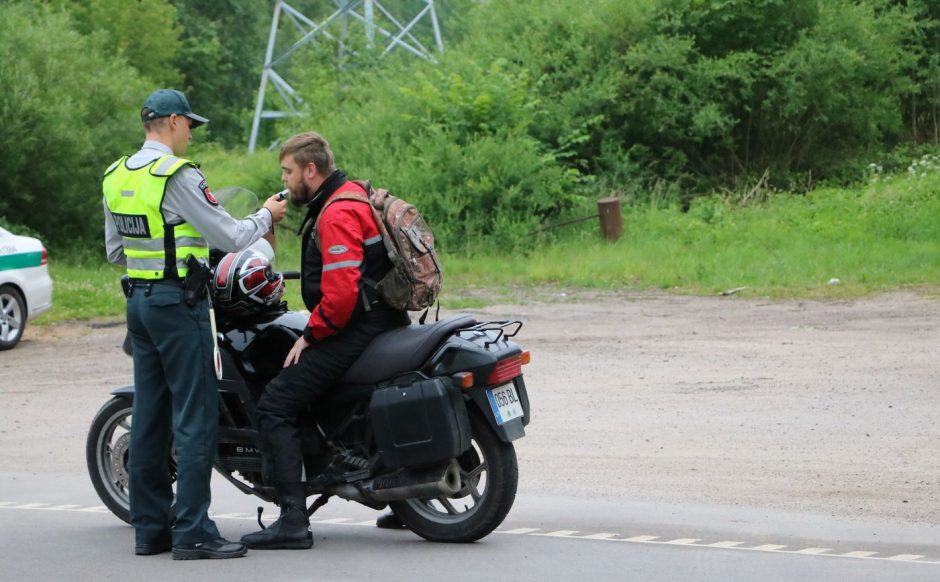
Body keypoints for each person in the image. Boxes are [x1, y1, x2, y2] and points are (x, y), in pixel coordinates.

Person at [102, 89, 288, 560]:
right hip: (178, 306)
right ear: (170, 122)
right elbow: (230, 234)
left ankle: (151, 530)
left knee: (149, 416)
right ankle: (193, 532)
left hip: (139, 306)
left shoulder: (116, 174)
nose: (190, 132)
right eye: (189, 124)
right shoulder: (176, 175)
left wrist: (162, 252)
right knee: (196, 415)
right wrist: (267, 214)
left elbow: (116, 252)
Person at [240, 132, 410, 550]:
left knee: (276, 404)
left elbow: (340, 296)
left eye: (288, 171)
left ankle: (293, 521)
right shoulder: (354, 193)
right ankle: (402, 492)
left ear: (310, 170)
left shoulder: (336, 213)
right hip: (381, 318)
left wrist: (312, 335)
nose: (284, 180)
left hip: (356, 325)